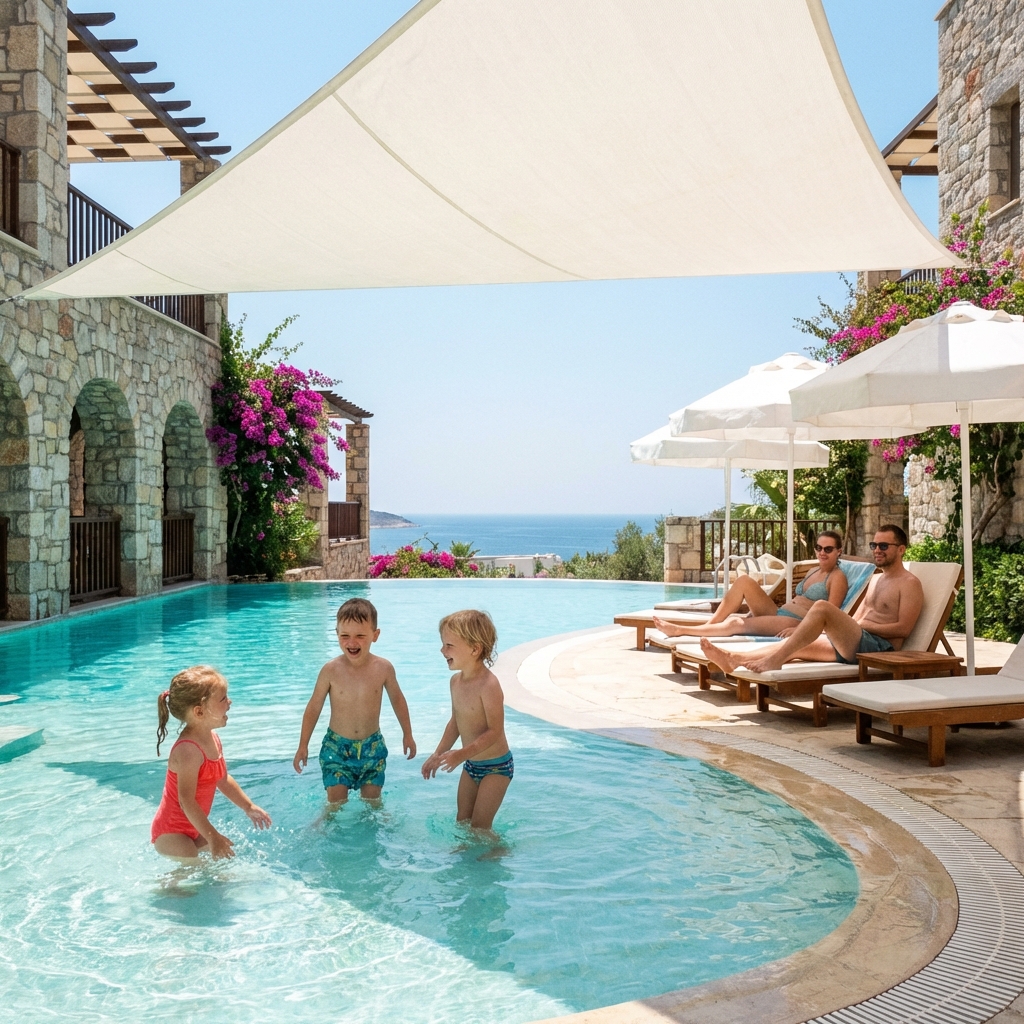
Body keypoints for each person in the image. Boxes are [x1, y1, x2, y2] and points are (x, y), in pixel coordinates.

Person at [701, 525, 923, 675]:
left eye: (884, 546)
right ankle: (734, 659)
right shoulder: (876, 579)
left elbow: (903, 629)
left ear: (901, 549)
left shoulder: (909, 583)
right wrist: (839, 628)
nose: (877, 550)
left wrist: (859, 625)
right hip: (857, 641)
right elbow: (855, 619)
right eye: (874, 546)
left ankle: (773, 661)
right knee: (795, 645)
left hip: (880, 648)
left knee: (822, 608)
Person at [293, 598, 416, 806]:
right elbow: (314, 707)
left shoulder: (383, 668)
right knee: (336, 801)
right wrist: (303, 745)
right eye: (345, 636)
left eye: (360, 635)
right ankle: (327, 824)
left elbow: (397, 699)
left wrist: (408, 734)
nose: (352, 642)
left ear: (375, 635)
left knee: (372, 802)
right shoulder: (330, 670)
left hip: (372, 746)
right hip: (337, 747)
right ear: (337, 634)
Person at [151, 665, 272, 861]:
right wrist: (212, 835)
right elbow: (186, 802)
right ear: (199, 712)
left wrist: (248, 806)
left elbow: (222, 779)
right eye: (223, 699)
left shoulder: (212, 738)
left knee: (225, 862)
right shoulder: (188, 751)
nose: (229, 702)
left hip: (194, 828)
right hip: (171, 832)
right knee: (190, 875)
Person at [653, 530, 849, 639]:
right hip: (778, 612)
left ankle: (681, 630)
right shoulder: (813, 570)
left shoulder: (837, 577)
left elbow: (831, 617)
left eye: (828, 549)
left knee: (736, 623)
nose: (822, 552)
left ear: (839, 551)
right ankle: (709, 625)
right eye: (819, 548)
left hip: (795, 622)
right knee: (744, 581)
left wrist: (799, 630)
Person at [421, 610, 513, 831]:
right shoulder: (455, 682)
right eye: (443, 644)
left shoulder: (488, 685)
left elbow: (494, 732)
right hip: (472, 765)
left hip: (496, 768)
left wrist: (460, 755)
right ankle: (466, 861)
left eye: (449, 645)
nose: (442, 650)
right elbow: (455, 723)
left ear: (474, 648)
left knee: (480, 827)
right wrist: (437, 754)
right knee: (462, 821)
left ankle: (498, 853)